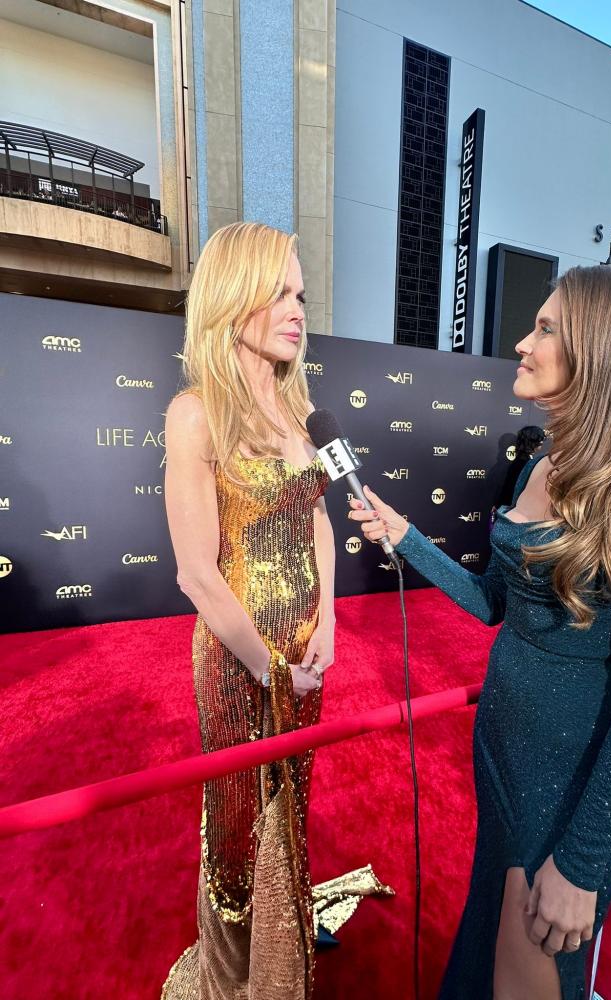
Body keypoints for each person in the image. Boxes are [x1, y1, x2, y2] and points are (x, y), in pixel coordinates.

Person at [348, 264, 611, 1000]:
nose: (521, 342)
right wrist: (408, 539)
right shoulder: (545, 463)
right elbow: (494, 603)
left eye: (544, 327)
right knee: (487, 952)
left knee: (527, 977)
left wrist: (582, 861)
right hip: (503, 757)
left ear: (602, 349)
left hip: (571, 782)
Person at [162, 222, 335, 1000]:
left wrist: (329, 623)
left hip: (305, 658)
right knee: (238, 817)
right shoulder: (195, 414)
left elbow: (321, 520)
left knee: (292, 799)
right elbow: (197, 574)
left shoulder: (302, 412)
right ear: (236, 296)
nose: (299, 307)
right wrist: (271, 672)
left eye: (301, 292)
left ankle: (282, 955)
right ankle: (237, 979)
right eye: (282, 291)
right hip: (242, 666)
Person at [491, 425, 546, 513]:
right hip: (516, 509)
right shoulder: (524, 462)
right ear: (533, 441)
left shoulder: (522, 460)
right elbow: (510, 486)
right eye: (541, 439)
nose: (542, 442)